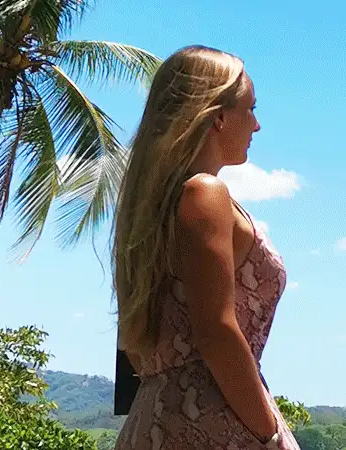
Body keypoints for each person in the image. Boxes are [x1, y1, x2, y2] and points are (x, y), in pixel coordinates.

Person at [111, 45, 298, 449]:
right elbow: (215, 331)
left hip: (156, 415)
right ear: (217, 117)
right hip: (215, 419)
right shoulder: (204, 193)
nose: (257, 125)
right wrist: (269, 434)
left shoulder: (149, 207)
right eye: (250, 109)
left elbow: (136, 346)